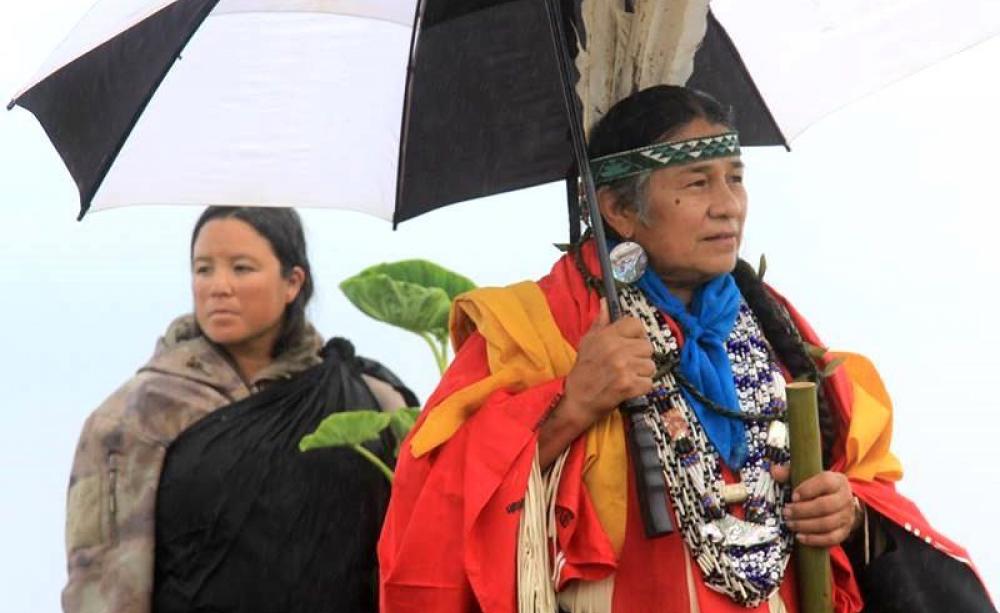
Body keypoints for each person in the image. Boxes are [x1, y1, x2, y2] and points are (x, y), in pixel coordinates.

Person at [378, 86, 995, 612]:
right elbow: (435, 509)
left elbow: (863, 474)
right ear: (619, 208)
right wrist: (570, 407)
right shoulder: (536, 326)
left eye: (735, 179)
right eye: (698, 183)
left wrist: (849, 513)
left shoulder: (774, 323)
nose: (727, 206)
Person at [62, 206, 417, 613]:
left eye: (242, 268)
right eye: (204, 269)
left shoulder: (363, 399)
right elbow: (102, 583)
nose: (219, 287)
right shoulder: (137, 415)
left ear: (292, 282)